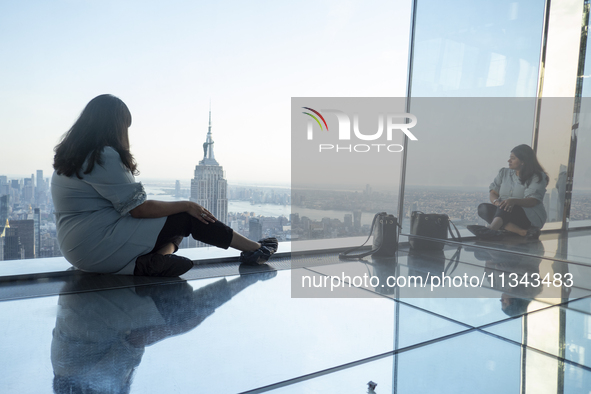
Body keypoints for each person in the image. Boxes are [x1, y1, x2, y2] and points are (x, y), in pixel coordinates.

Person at [51, 94, 277, 276]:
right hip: (96, 246)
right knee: (187, 217)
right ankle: (256, 250)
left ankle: (156, 260)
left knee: (173, 221)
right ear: (114, 127)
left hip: (76, 248)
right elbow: (139, 209)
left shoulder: (71, 157)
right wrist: (187, 205)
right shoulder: (102, 156)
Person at [468, 144, 548, 240]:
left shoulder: (537, 176)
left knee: (507, 205)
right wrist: (497, 203)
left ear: (523, 161)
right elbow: (493, 192)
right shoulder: (503, 173)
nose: (509, 161)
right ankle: (521, 232)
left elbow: (533, 201)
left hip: (528, 216)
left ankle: (491, 229)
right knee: (483, 208)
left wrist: (512, 201)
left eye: (513, 158)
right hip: (504, 212)